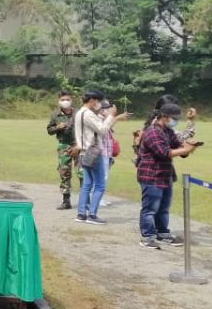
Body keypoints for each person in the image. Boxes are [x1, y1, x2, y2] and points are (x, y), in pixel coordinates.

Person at [137, 103, 198, 249]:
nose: (175, 121)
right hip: (151, 176)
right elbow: (164, 152)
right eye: (173, 118)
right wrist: (185, 149)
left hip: (165, 175)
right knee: (150, 209)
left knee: (163, 208)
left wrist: (188, 147)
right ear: (164, 117)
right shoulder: (152, 132)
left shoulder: (168, 131)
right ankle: (147, 237)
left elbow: (177, 146)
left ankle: (162, 233)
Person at [73, 89, 128, 225]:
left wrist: (106, 116)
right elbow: (103, 130)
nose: (98, 104)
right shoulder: (88, 114)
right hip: (93, 152)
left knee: (86, 184)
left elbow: (96, 126)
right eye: (97, 101)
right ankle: (92, 215)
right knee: (100, 185)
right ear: (92, 101)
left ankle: (81, 214)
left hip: (83, 152)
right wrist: (111, 116)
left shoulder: (79, 113)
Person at [46, 89, 78, 210]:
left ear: (71, 100)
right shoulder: (55, 115)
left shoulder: (78, 113)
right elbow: (49, 130)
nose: (65, 101)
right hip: (64, 145)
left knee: (82, 173)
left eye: (67, 99)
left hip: (78, 145)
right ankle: (66, 200)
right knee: (64, 172)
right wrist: (58, 127)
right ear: (58, 101)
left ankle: (85, 200)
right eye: (63, 99)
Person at [98, 100, 119, 207]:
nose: (107, 110)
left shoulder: (105, 119)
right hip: (102, 153)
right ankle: (98, 199)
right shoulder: (99, 120)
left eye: (108, 108)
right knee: (102, 177)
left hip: (107, 152)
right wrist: (113, 116)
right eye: (105, 108)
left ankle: (101, 198)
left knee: (104, 176)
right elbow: (103, 131)